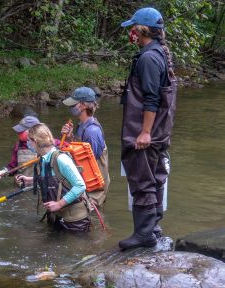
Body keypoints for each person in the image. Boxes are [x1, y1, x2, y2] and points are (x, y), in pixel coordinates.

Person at [118, 7, 177, 250]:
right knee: (156, 177)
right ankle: (153, 227)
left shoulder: (148, 58)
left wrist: (144, 132)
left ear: (141, 30)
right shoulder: (160, 54)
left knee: (143, 180)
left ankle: (144, 234)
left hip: (146, 133)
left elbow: (152, 99)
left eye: (133, 27)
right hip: (160, 132)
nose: (130, 32)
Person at [16, 123, 91, 232]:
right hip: (57, 216)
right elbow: (53, 179)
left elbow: (80, 185)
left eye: (29, 141)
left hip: (75, 219)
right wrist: (31, 181)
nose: (27, 144)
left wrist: (59, 204)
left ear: (35, 142)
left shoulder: (61, 159)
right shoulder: (43, 158)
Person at [61, 87, 110, 207]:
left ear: (82, 105)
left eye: (73, 104)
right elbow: (82, 152)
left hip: (94, 189)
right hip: (84, 183)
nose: (70, 107)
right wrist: (70, 137)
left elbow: (90, 162)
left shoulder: (92, 131)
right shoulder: (82, 125)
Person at [0, 116, 40, 185]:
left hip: (41, 186)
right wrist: (3, 172)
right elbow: (13, 166)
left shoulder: (50, 145)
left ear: (32, 131)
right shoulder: (18, 145)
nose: (18, 133)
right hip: (21, 185)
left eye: (21, 131)